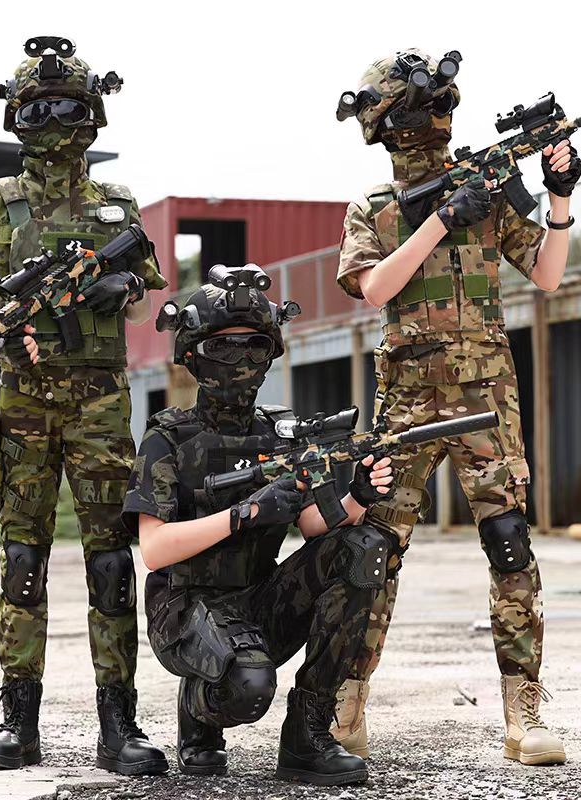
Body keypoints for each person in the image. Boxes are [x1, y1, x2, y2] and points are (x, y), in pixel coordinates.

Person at [333, 48, 581, 766]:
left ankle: (523, 715)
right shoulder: (373, 208)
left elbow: (548, 275)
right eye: (422, 104)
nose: (436, 114)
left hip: (488, 397)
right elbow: (375, 288)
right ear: (388, 121)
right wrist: (443, 218)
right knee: (376, 552)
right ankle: (344, 705)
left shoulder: (487, 189)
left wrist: (558, 199)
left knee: (509, 543)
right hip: (407, 400)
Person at [0, 36, 168, 774]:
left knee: (112, 563)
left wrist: (120, 289)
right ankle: (19, 721)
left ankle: (119, 725)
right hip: (23, 402)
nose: (56, 122)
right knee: (22, 561)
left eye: (69, 107)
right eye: (40, 108)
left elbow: (145, 304)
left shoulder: (117, 203)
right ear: (16, 117)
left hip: (100, 402)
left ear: (93, 113)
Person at [122, 268, 395, 785]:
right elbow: (154, 550)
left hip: (260, 600)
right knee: (247, 688)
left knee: (363, 545)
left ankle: (307, 735)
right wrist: (244, 513)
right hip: (184, 610)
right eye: (223, 348)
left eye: (254, 346)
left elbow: (315, 527)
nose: (241, 360)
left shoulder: (281, 433)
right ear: (192, 356)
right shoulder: (168, 438)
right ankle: (199, 706)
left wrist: (357, 495)